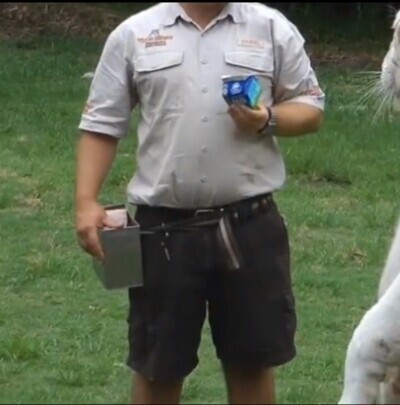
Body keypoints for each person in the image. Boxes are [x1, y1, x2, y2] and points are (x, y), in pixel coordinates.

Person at [74, 3, 325, 404]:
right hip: (163, 233)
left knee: (253, 363)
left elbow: (311, 108)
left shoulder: (271, 27)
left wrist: (267, 119)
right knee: (158, 368)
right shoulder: (136, 33)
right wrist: (86, 201)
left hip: (250, 226)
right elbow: (102, 123)